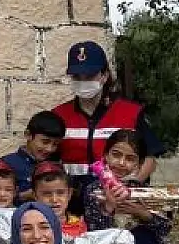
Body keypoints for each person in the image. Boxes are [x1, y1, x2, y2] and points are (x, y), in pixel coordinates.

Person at [50, 41, 163, 208]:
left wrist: (131, 184)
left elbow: (150, 157)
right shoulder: (59, 115)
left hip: (120, 202)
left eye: (89, 76)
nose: (83, 82)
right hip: (73, 204)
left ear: (104, 76)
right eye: (76, 77)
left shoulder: (131, 112)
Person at [0, 111, 65, 203]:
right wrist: (25, 195)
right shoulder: (6, 165)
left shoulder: (56, 167)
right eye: (45, 142)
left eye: (55, 144)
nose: (49, 149)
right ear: (28, 135)